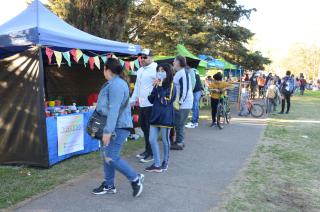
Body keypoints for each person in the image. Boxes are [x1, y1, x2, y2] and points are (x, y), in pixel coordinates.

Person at [92, 58, 144, 197]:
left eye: (103, 68)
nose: (103, 71)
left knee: (111, 156)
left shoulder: (116, 85)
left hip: (118, 127)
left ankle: (135, 178)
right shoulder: (115, 83)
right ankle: (109, 185)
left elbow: (114, 109)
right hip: (115, 126)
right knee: (106, 155)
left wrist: (108, 131)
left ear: (107, 69)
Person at [146, 64, 176, 172]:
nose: (160, 72)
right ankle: (157, 163)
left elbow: (165, 101)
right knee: (151, 139)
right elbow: (150, 99)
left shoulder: (172, 85)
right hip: (155, 116)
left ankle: (165, 162)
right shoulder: (157, 84)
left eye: (162, 70)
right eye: (158, 70)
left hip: (165, 117)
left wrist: (159, 87)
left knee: (165, 140)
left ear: (168, 72)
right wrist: (153, 87)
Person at [130, 49, 157, 163]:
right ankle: (147, 150)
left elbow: (160, 86)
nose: (142, 59)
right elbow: (137, 87)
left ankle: (152, 153)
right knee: (144, 128)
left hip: (151, 104)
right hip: (141, 104)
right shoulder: (140, 70)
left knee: (150, 130)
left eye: (145, 57)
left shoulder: (156, 69)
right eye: (141, 57)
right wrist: (132, 100)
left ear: (151, 57)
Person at [171, 56, 193, 150]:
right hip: (181, 102)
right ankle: (179, 141)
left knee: (179, 123)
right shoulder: (179, 73)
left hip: (184, 103)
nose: (173, 63)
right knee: (178, 123)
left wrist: (180, 102)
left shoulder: (183, 73)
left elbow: (185, 89)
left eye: (174, 61)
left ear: (179, 62)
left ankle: (179, 143)